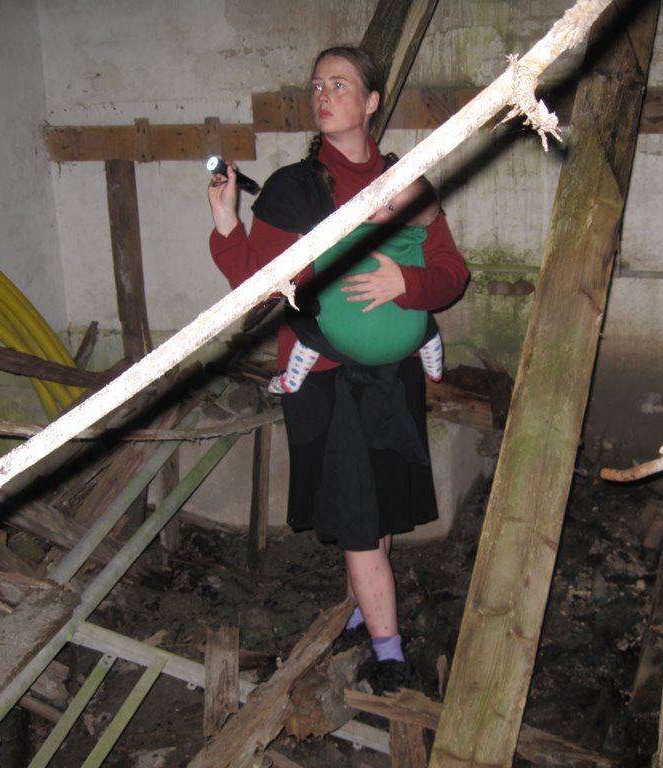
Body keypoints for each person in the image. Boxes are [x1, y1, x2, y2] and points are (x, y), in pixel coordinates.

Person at [207, 45, 469, 693]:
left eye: (340, 84)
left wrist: (404, 283)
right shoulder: (292, 191)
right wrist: (226, 222)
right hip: (325, 377)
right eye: (317, 85)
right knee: (358, 520)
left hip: (393, 375)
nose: (323, 95)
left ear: (372, 101)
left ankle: (358, 615)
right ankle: (388, 656)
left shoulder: (407, 182)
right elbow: (255, 290)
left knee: (375, 518)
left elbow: (451, 273)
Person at [268, 176, 446, 394]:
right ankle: (434, 368)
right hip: (410, 340)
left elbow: (310, 238)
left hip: (346, 341)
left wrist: (305, 236)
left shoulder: (344, 230)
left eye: (390, 207)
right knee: (428, 326)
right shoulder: (416, 237)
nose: (379, 205)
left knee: (307, 330)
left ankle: (293, 378)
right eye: (383, 196)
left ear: (408, 221)